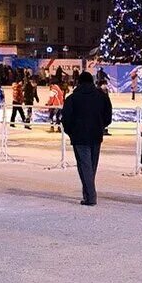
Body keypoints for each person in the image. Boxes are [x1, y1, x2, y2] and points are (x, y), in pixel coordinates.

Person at [60, 71, 113, 206]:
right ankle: (89, 193)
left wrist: (71, 132)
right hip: (96, 135)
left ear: (79, 82)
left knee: (84, 166)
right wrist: (101, 126)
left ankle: (90, 196)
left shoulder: (72, 98)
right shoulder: (101, 96)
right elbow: (108, 115)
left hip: (79, 136)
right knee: (92, 166)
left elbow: (66, 118)